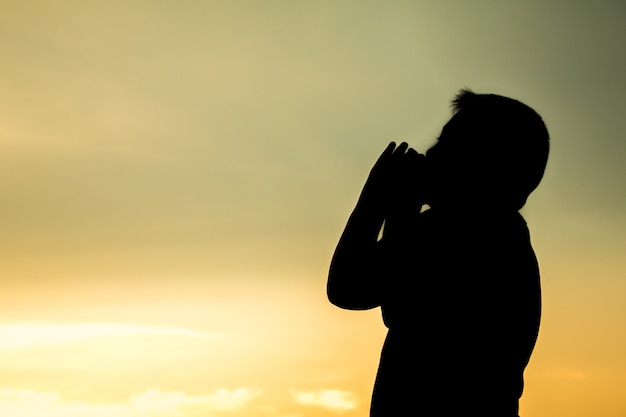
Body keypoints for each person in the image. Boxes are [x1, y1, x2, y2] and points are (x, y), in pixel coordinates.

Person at [327, 89, 549, 416]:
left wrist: (374, 200)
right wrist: (401, 211)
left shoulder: (466, 229)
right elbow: (400, 303)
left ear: (484, 164)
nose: (430, 152)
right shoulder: (501, 234)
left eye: (448, 145)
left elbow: (349, 288)